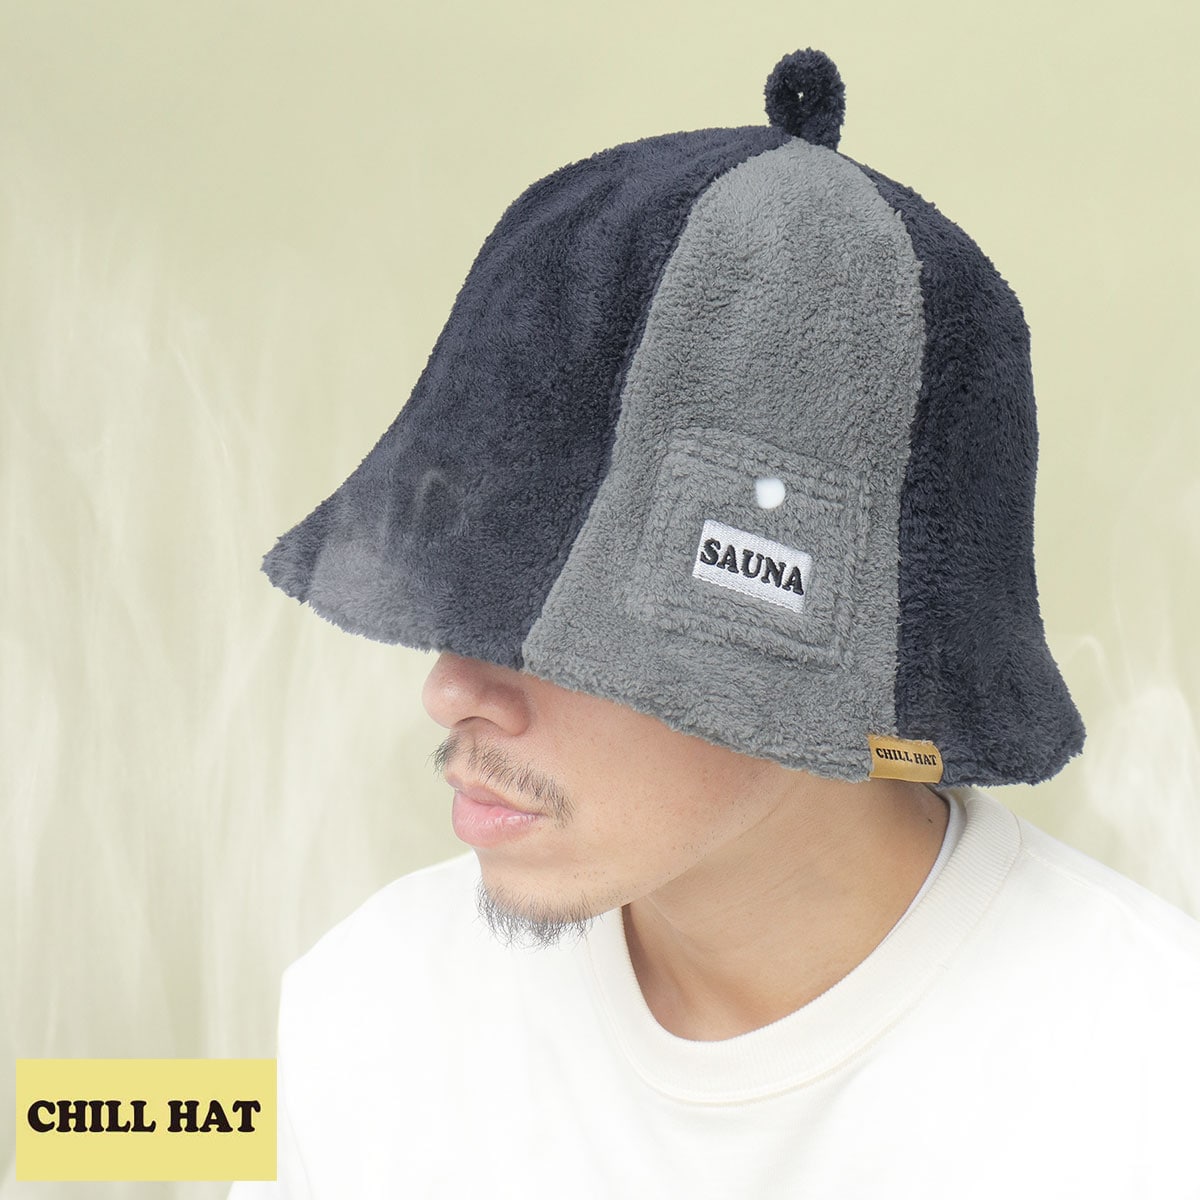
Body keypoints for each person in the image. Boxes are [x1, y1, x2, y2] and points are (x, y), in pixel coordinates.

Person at [231, 49, 1200, 1198]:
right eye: (469, 590)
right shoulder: (367, 1018)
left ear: (820, 647)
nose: (451, 689)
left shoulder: (1152, 1088)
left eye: (561, 618)